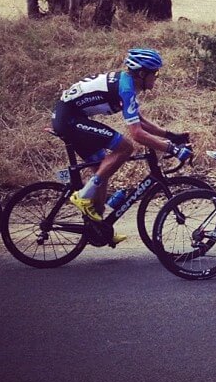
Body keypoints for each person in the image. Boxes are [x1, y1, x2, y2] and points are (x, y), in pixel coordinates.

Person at [51, 48, 192, 244]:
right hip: (69, 119)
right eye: (156, 73)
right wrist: (171, 149)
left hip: (71, 117)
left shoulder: (128, 85)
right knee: (125, 147)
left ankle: (100, 228)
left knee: (102, 169)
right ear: (142, 74)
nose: (157, 78)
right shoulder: (125, 88)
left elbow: (140, 121)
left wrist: (170, 136)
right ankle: (82, 196)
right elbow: (136, 134)